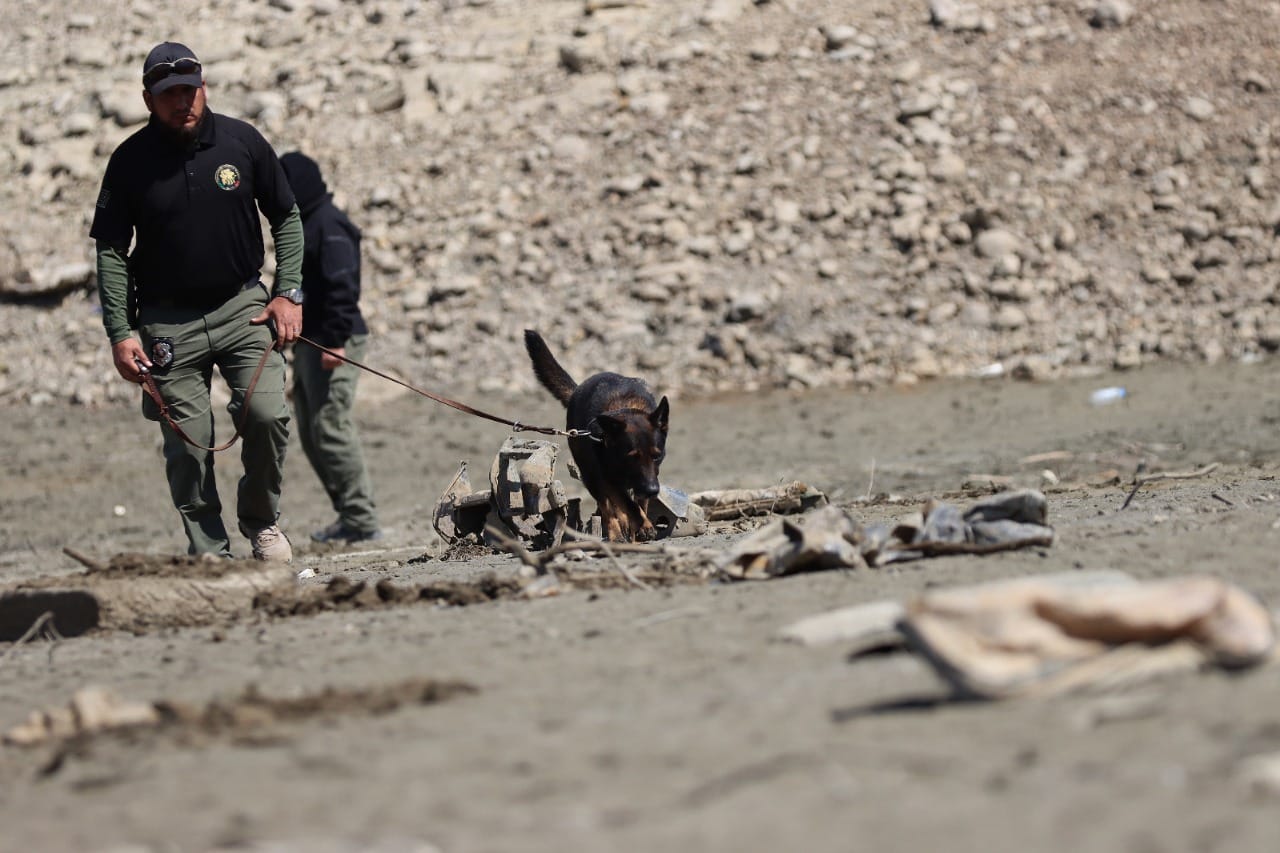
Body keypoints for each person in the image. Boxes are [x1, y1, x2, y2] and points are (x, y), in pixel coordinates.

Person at [90, 42, 305, 562]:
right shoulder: (129, 162)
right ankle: (210, 550)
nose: (181, 102)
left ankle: (261, 524)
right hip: (166, 325)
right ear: (148, 99)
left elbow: (288, 218)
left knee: (267, 414)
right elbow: (112, 252)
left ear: (203, 87)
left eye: (189, 90)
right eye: (168, 95)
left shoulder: (242, 142)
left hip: (242, 308)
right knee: (189, 444)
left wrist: (288, 293)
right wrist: (120, 333)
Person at [279, 152, 382, 544]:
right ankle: (349, 515)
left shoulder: (329, 224)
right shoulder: (307, 223)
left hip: (334, 339)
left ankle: (362, 518)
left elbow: (343, 286)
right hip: (312, 340)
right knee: (311, 429)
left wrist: (336, 340)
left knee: (331, 427)